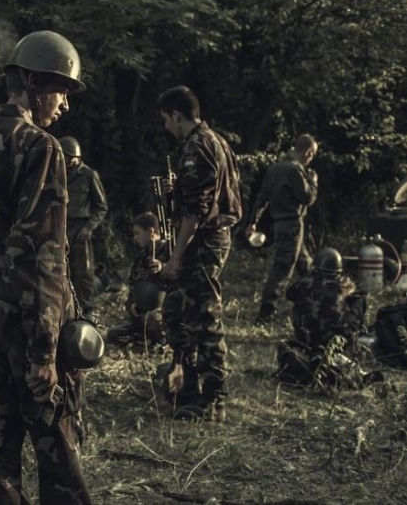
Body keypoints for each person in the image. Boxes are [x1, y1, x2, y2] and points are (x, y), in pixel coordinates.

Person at [0, 30, 92, 504]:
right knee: (60, 456)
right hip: (26, 323)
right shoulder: (41, 148)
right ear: (31, 82)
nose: (65, 104)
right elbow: (41, 256)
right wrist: (46, 352)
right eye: (61, 89)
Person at [157, 85, 242, 421]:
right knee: (181, 312)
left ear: (177, 115)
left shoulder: (197, 145)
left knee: (204, 317)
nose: (166, 127)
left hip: (204, 241)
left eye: (167, 120)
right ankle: (189, 386)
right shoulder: (216, 141)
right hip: (212, 237)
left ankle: (213, 398)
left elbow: (196, 210)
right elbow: (213, 190)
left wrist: (176, 256)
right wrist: (178, 186)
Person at [279, 247, 378, 388]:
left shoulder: (305, 281)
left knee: (298, 307)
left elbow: (290, 294)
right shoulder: (344, 285)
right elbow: (356, 310)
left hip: (306, 336)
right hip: (336, 339)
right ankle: (350, 373)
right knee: (356, 303)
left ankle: (323, 361)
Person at [246, 133, 319, 325]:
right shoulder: (295, 171)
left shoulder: (275, 168)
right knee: (282, 269)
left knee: (305, 265)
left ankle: (312, 307)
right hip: (292, 224)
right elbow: (307, 197)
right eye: (311, 155)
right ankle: (265, 315)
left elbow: (262, 197)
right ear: (307, 152)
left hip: (280, 224)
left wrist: (252, 221)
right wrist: (313, 181)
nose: (310, 159)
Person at [61, 136, 108, 317]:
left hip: (81, 229)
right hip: (63, 227)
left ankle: (87, 311)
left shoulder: (89, 175)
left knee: (84, 273)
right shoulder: (58, 173)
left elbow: (101, 206)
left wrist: (89, 227)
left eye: (68, 157)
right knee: (63, 270)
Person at [105, 212, 168, 348]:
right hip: (141, 316)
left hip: (163, 314)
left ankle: (158, 340)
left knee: (156, 321)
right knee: (113, 335)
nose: (135, 238)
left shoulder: (170, 251)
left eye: (138, 233)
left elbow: (179, 279)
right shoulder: (141, 257)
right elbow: (133, 287)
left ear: (150, 231)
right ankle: (145, 339)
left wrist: (163, 267)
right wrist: (132, 304)